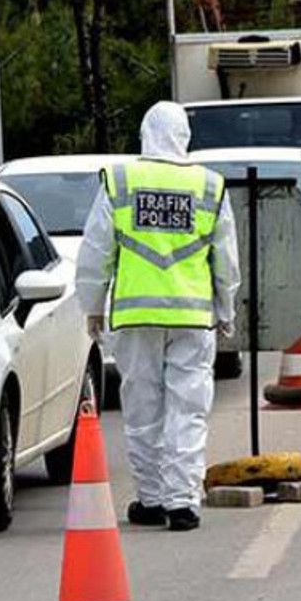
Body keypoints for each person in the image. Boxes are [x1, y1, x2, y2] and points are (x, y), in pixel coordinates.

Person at [75, 101, 240, 532]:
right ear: (185, 137)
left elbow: (96, 250)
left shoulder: (121, 181)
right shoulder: (208, 186)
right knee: (188, 407)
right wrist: (226, 308)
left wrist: (92, 305)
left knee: (143, 407)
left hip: (136, 316)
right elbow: (225, 257)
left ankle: (150, 499)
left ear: (144, 134)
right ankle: (182, 501)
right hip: (191, 316)